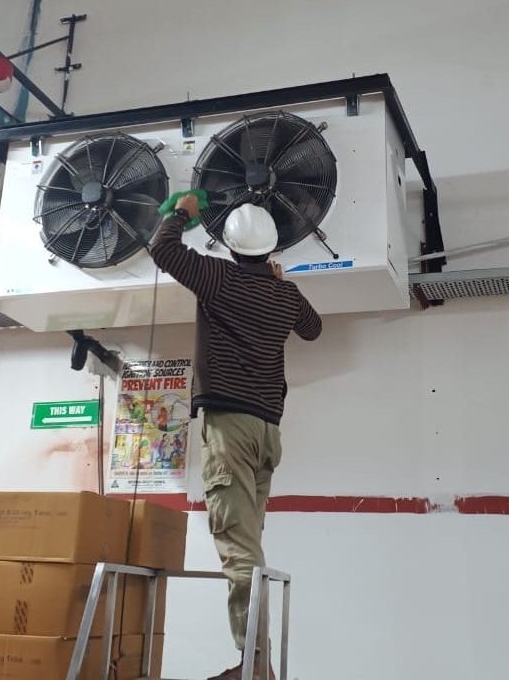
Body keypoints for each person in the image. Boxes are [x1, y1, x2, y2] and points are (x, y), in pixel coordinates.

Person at [151, 195, 322, 680]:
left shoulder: (219, 277)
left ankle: (256, 665)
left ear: (229, 246)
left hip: (230, 426)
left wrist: (181, 212)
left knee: (238, 546)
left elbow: (163, 250)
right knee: (251, 544)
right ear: (271, 249)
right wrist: (282, 284)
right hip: (268, 432)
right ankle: (256, 658)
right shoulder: (284, 294)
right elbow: (313, 328)